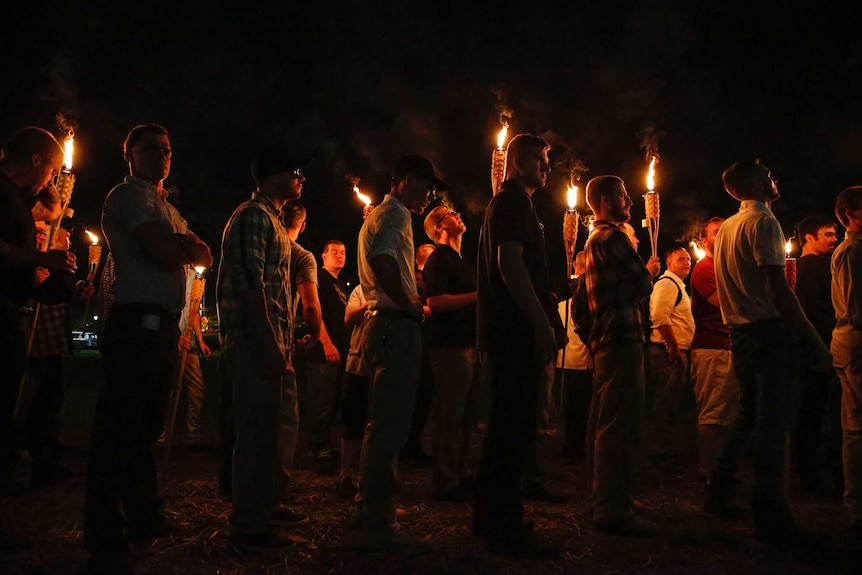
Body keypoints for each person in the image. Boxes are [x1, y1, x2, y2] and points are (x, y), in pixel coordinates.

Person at [85, 124, 212, 573]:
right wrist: (181, 245)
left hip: (161, 326)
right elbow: (163, 251)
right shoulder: (128, 196)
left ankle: (143, 515)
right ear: (131, 155)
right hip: (134, 322)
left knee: (145, 427)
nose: (162, 156)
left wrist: (180, 244)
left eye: (167, 150)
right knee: (119, 427)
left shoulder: (165, 207)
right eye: (151, 149)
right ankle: (104, 529)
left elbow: (205, 255)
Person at [703, 160, 831, 543]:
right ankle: (770, 513)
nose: (775, 179)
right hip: (767, 331)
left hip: (740, 332)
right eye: (770, 175)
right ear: (757, 183)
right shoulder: (764, 224)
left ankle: (719, 491)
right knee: (772, 424)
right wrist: (811, 338)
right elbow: (778, 288)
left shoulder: (727, 228)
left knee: (747, 415)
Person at [473, 134, 564, 559]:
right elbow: (510, 265)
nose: (547, 168)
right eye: (541, 160)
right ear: (517, 162)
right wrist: (540, 322)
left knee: (506, 426)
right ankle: (505, 527)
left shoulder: (512, 203)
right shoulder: (511, 203)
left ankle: (488, 515)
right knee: (514, 427)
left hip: (507, 330)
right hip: (514, 332)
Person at [217, 145, 312, 552]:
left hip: (275, 341)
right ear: (272, 177)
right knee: (256, 433)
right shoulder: (252, 216)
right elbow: (249, 284)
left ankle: (266, 506)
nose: (301, 178)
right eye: (295, 170)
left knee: (275, 429)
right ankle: (247, 526)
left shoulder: (272, 220)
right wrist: (268, 343)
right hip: (256, 341)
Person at [354, 154, 444, 555]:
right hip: (394, 325)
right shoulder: (397, 215)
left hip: (381, 324)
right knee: (390, 424)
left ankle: (367, 505)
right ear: (407, 180)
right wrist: (409, 305)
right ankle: (379, 517)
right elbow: (382, 259)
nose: (430, 195)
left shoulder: (379, 215)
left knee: (380, 420)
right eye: (428, 186)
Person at [583, 174, 661, 536]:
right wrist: (649, 271)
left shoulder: (595, 239)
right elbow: (641, 284)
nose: (629, 201)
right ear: (602, 199)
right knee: (620, 424)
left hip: (607, 338)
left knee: (608, 421)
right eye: (622, 195)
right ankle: (613, 508)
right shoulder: (612, 237)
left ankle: (610, 497)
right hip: (621, 336)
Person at [0, 127, 72, 497]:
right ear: (35, 160)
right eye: (51, 171)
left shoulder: (14, 196)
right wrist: (41, 258)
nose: (51, 179)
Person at [22, 220, 91, 488]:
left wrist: (79, 294)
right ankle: (31, 460)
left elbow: (60, 297)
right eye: (65, 238)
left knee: (50, 402)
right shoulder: (36, 259)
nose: (69, 243)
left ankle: (48, 459)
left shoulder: (54, 263)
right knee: (33, 402)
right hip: (33, 339)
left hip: (51, 342)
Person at [421, 206, 481, 502]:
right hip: (449, 346)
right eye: (449, 213)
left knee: (467, 415)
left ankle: (460, 472)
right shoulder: (437, 261)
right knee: (451, 413)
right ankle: (445, 481)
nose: (457, 214)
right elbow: (436, 301)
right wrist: (479, 296)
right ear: (438, 226)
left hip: (468, 343)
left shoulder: (461, 260)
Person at [794, 215, 842, 494]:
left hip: (805, 347)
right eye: (827, 234)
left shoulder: (794, 269)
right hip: (823, 347)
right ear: (809, 238)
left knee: (808, 410)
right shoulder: (822, 266)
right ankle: (824, 471)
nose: (834, 238)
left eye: (834, 233)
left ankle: (807, 470)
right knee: (824, 411)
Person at [689, 217, 739, 482]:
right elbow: (723, 302)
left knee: (728, 412)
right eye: (716, 233)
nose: (722, 237)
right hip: (712, 348)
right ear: (703, 240)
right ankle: (709, 471)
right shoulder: (705, 268)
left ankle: (722, 469)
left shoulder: (725, 267)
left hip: (727, 346)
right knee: (714, 412)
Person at [304, 239, 349, 474]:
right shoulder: (320, 279)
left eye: (342, 252)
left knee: (332, 400)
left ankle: (328, 446)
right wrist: (326, 342)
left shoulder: (340, 283)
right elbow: (314, 311)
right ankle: (317, 449)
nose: (339, 256)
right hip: (322, 352)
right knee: (321, 401)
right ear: (323, 256)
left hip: (339, 351)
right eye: (334, 252)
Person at [831, 186, 862, 531]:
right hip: (856, 344)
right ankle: (856, 505)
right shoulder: (853, 252)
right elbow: (857, 310)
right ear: (852, 214)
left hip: (850, 343)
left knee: (856, 426)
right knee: (855, 427)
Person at [646, 245, 695, 458]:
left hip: (672, 350)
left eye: (688, 259)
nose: (687, 262)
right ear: (669, 264)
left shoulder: (678, 285)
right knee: (665, 401)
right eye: (681, 259)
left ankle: (664, 447)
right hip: (666, 352)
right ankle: (660, 450)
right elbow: (659, 316)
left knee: (671, 401)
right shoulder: (667, 284)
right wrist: (673, 346)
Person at [400, 242, 436, 466]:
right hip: (414, 344)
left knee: (424, 397)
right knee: (412, 397)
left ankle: (414, 443)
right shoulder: (415, 279)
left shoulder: (433, 279)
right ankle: (407, 444)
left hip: (430, 344)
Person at [560, 251, 593, 463]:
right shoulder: (576, 291)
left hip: (578, 359)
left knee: (579, 407)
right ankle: (573, 450)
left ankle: (576, 447)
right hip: (575, 358)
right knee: (576, 408)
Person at [337, 283, 370, 497]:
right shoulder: (361, 290)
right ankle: (346, 474)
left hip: (387, 364)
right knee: (353, 419)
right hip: (359, 362)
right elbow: (349, 318)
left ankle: (370, 475)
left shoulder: (400, 286)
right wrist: (371, 304)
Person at [175, 266, 212, 447]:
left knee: (197, 388)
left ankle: (193, 434)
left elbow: (194, 311)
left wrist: (200, 340)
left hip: (190, 346)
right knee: (168, 389)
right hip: (171, 344)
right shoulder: (169, 274)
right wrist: (175, 338)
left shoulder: (193, 277)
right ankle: (162, 434)